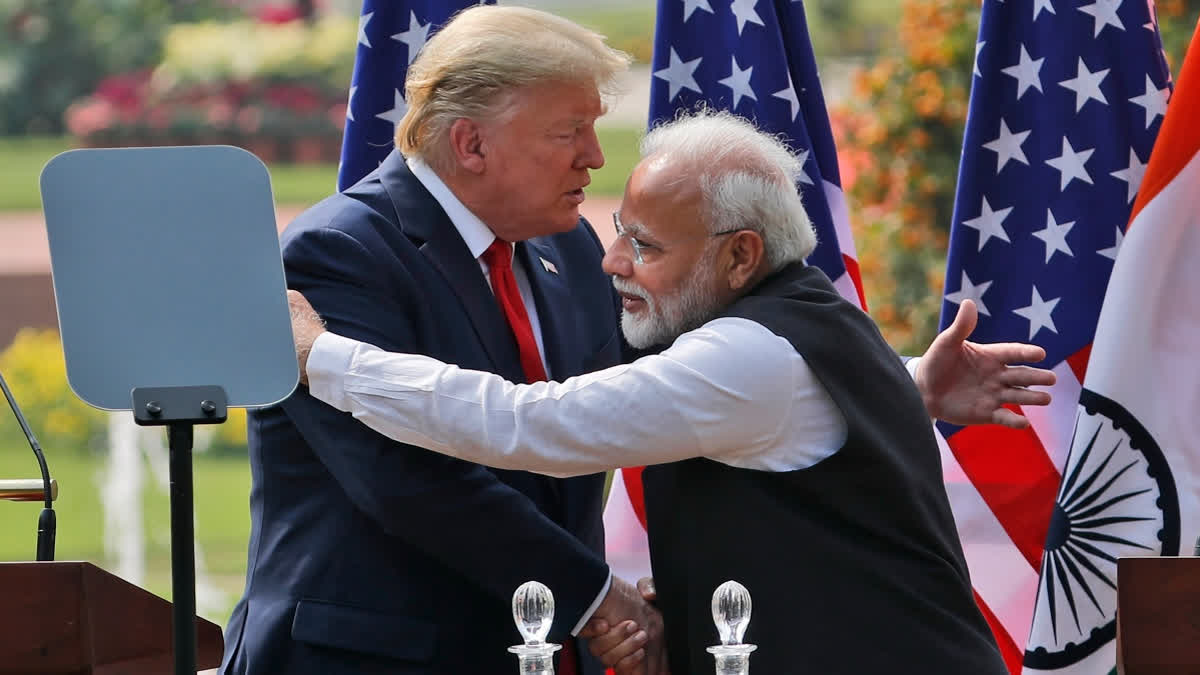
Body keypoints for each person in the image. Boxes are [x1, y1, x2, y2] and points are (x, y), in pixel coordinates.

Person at [288, 109, 1052, 674]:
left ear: (740, 256)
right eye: (619, 229)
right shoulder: (803, 323)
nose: (611, 261)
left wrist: (323, 357)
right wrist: (911, 379)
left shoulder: (743, 355)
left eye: (645, 245)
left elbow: (526, 425)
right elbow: (798, 412)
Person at [220, 7, 665, 675]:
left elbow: (620, 411)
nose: (596, 156)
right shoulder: (339, 254)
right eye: (570, 131)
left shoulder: (568, 245)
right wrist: (596, 599)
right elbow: (408, 479)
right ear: (472, 145)